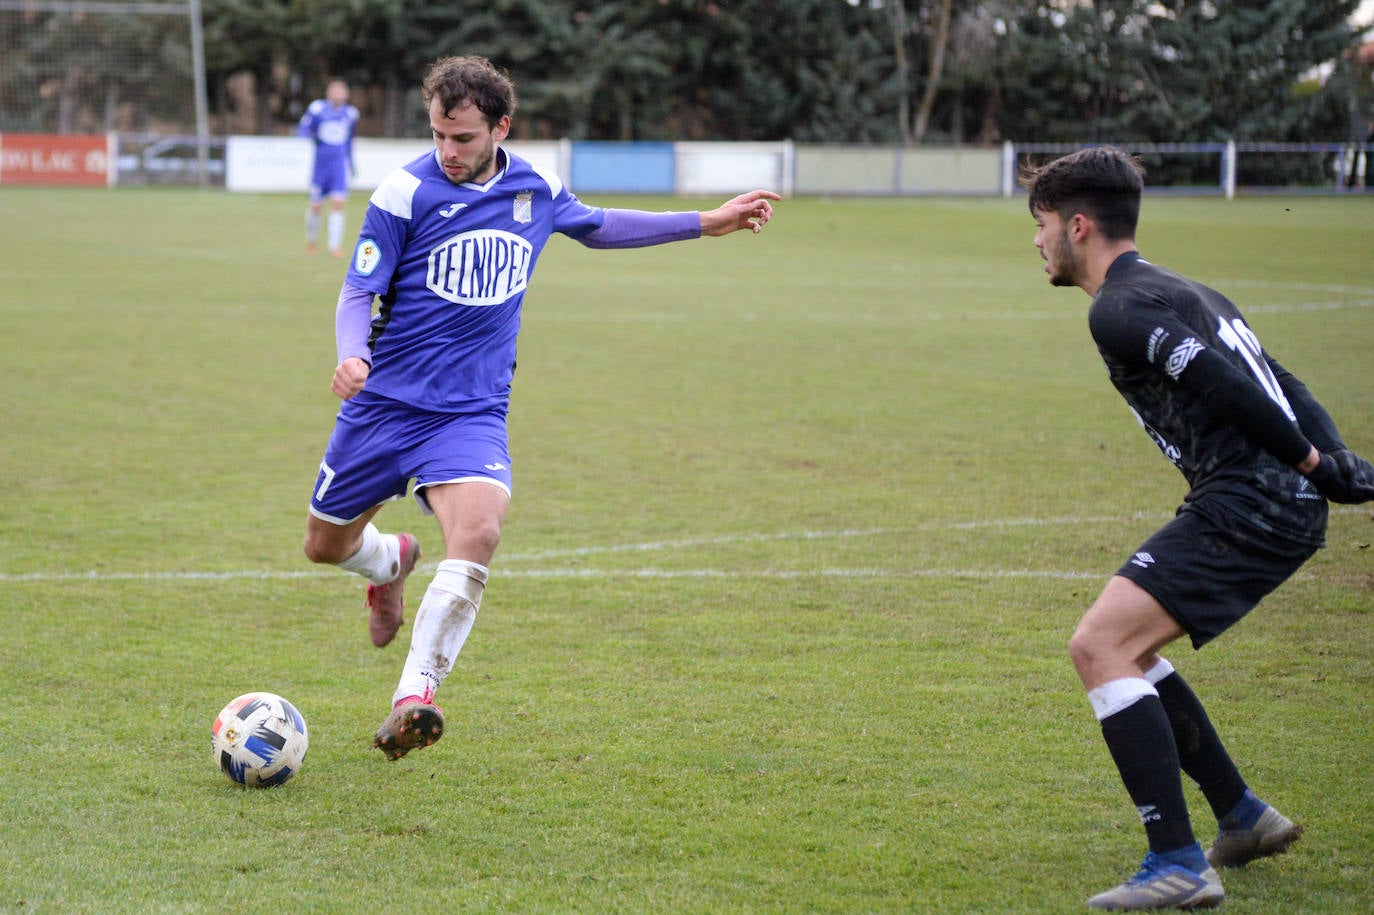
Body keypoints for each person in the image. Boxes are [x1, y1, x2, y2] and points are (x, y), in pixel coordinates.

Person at [301, 55, 779, 762]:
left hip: (470, 412)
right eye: (438, 135)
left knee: (481, 529)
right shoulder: (404, 193)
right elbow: (357, 290)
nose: (448, 151)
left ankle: (415, 694)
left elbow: (600, 225)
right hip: (384, 405)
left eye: (463, 138)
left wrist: (707, 222)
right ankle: (389, 562)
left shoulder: (535, 188)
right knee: (325, 545)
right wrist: (351, 354)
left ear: (501, 127)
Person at [1020, 146, 1374, 911]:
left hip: (1251, 499)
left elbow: (1227, 382)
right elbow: (1284, 379)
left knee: (1098, 645)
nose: (1037, 241)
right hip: (1270, 498)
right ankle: (1242, 816)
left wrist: (1316, 461)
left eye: (1041, 223)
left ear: (1078, 226)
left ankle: (1177, 861)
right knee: (1131, 645)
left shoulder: (1117, 308)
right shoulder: (1187, 289)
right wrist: (1338, 461)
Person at [297, 78, 360, 256]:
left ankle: (334, 246)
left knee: (338, 203)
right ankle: (312, 242)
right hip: (320, 166)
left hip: (338, 166)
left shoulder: (351, 114)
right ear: (328, 93)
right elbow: (303, 129)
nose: (339, 94)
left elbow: (349, 141)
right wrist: (311, 137)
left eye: (342, 91)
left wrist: (351, 163)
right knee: (316, 205)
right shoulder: (317, 109)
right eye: (335, 90)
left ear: (346, 94)